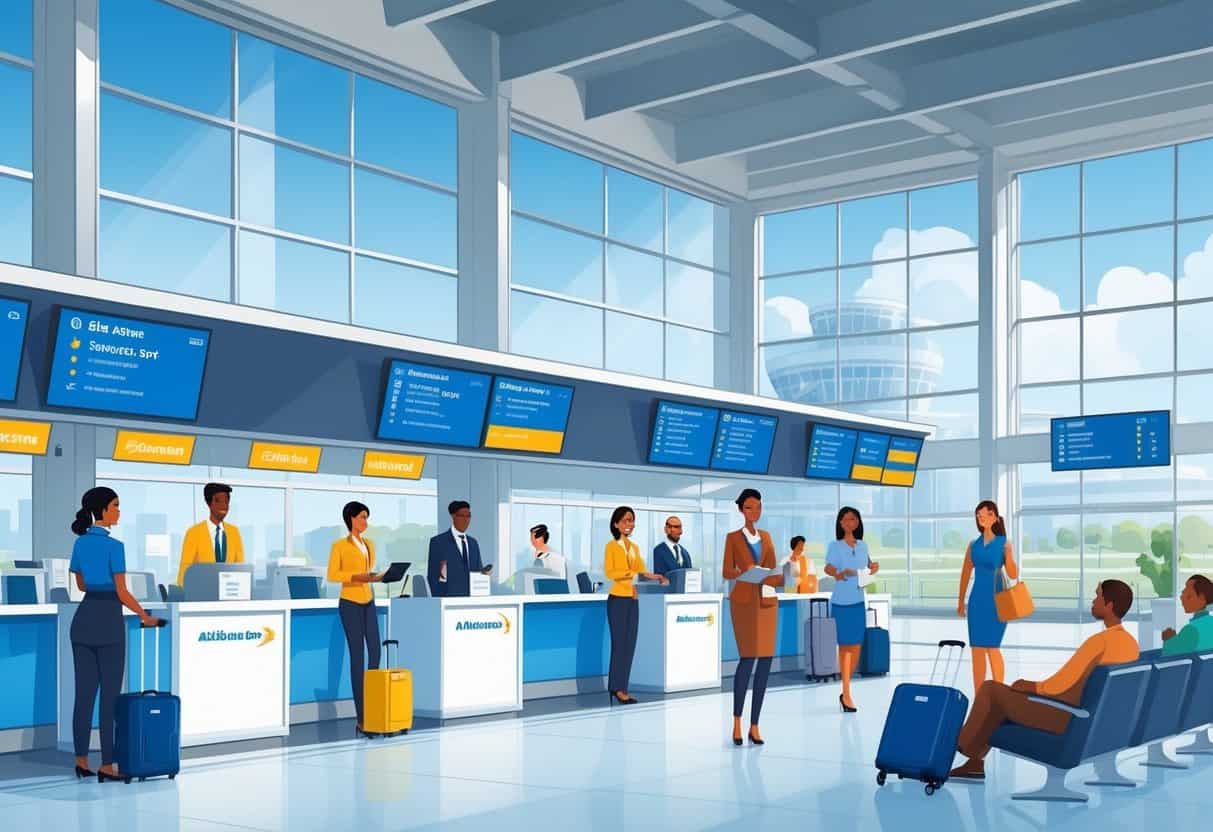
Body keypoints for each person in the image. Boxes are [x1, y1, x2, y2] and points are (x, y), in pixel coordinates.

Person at [949, 579, 1139, 782]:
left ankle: (955, 744)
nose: (1093, 601)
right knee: (999, 702)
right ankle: (975, 763)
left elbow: (1060, 684)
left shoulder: (1099, 642)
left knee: (991, 691)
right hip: (1092, 717)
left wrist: (1031, 686)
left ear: (1109, 605)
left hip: (1064, 715)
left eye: (1097, 596)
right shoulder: (1131, 644)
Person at [68, 487, 161, 782]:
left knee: (84, 696)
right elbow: (121, 591)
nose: (119, 511)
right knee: (109, 698)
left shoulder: (80, 544)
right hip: (108, 622)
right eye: (115, 506)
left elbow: (81, 586)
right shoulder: (115, 546)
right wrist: (144, 614)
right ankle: (107, 764)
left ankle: (81, 760)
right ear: (102, 510)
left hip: (83, 620)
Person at [722, 488, 783, 746]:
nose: (754, 512)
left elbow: (772, 569)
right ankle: (736, 721)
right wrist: (742, 571)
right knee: (747, 660)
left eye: (758, 507)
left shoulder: (767, 537)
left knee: (765, 663)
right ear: (740, 510)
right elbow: (726, 570)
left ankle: (754, 725)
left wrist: (779, 575)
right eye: (749, 507)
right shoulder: (733, 538)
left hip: (767, 601)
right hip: (745, 602)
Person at [327, 501, 383, 736]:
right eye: (361, 517)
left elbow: (369, 573)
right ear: (350, 518)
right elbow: (332, 574)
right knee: (357, 657)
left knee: (376, 651)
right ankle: (362, 718)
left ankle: (373, 708)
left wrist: (378, 577)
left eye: (367, 518)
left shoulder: (369, 544)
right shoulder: (339, 545)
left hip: (369, 601)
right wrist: (357, 576)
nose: (365, 522)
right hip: (349, 603)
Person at [603, 506, 667, 705]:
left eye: (631, 520)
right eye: (625, 521)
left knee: (630, 645)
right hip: (618, 599)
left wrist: (655, 576)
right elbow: (611, 573)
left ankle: (624, 687)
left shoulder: (634, 547)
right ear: (616, 524)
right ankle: (615, 688)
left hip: (633, 600)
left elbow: (641, 570)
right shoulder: (611, 546)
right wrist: (632, 574)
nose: (629, 524)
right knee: (619, 645)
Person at [957, 500, 1020, 693]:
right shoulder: (973, 546)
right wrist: (961, 601)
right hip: (977, 601)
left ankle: (999, 693)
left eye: (984, 515)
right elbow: (966, 573)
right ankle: (980, 697)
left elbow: (1013, 574)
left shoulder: (1004, 544)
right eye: (978, 516)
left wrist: (1009, 555)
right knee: (976, 650)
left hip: (997, 601)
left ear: (994, 517)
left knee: (992, 647)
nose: (981, 518)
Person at [825, 506, 879, 713]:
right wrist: (838, 573)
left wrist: (875, 568)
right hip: (841, 602)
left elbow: (869, 565)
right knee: (844, 647)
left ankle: (847, 686)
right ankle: (846, 692)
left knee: (856, 646)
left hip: (858, 601)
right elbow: (828, 567)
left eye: (854, 519)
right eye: (847, 519)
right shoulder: (835, 545)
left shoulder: (863, 545)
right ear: (840, 523)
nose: (851, 523)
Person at [176, 482, 245, 587]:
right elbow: (184, 572)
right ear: (209, 503)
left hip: (228, 595)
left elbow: (241, 568)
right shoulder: (194, 533)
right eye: (218, 501)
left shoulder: (234, 532)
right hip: (202, 594)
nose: (224, 506)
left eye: (226, 501)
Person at [427, 501, 492, 597]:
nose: (466, 520)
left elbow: (478, 571)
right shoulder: (439, 542)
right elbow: (435, 576)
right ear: (453, 516)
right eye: (462, 516)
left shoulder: (473, 543)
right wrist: (440, 600)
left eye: (468, 516)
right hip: (449, 600)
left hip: (473, 600)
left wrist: (484, 574)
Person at [1161, 574, 1213, 656]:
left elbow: (1168, 661)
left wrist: (1168, 640)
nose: (1182, 598)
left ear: (1202, 598)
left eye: (1189, 595)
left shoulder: (1191, 630)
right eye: (1183, 593)